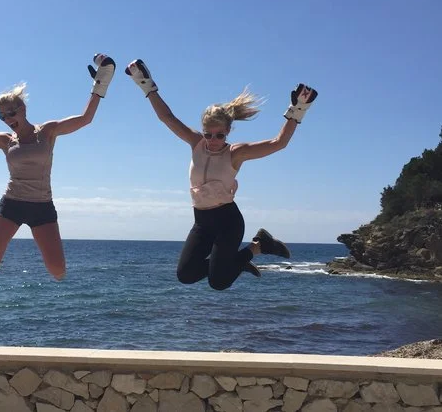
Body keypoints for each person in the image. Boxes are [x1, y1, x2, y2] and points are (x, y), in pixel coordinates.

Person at [125, 59, 317, 290]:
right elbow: (167, 117)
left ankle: (257, 247)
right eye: (208, 134)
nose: (213, 140)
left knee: (219, 281)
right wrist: (146, 85)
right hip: (201, 222)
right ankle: (236, 261)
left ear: (228, 131)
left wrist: (298, 109)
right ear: (203, 131)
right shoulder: (196, 143)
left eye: (219, 135)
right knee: (185, 274)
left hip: (228, 221)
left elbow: (279, 143)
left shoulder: (235, 153)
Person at [0, 54, 116, 279]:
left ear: (23, 108)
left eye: (11, 113)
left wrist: (101, 82)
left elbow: (86, 118)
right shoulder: (5, 141)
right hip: (12, 204)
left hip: (42, 206)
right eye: (2, 116)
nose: (8, 119)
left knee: (58, 272)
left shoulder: (48, 131)